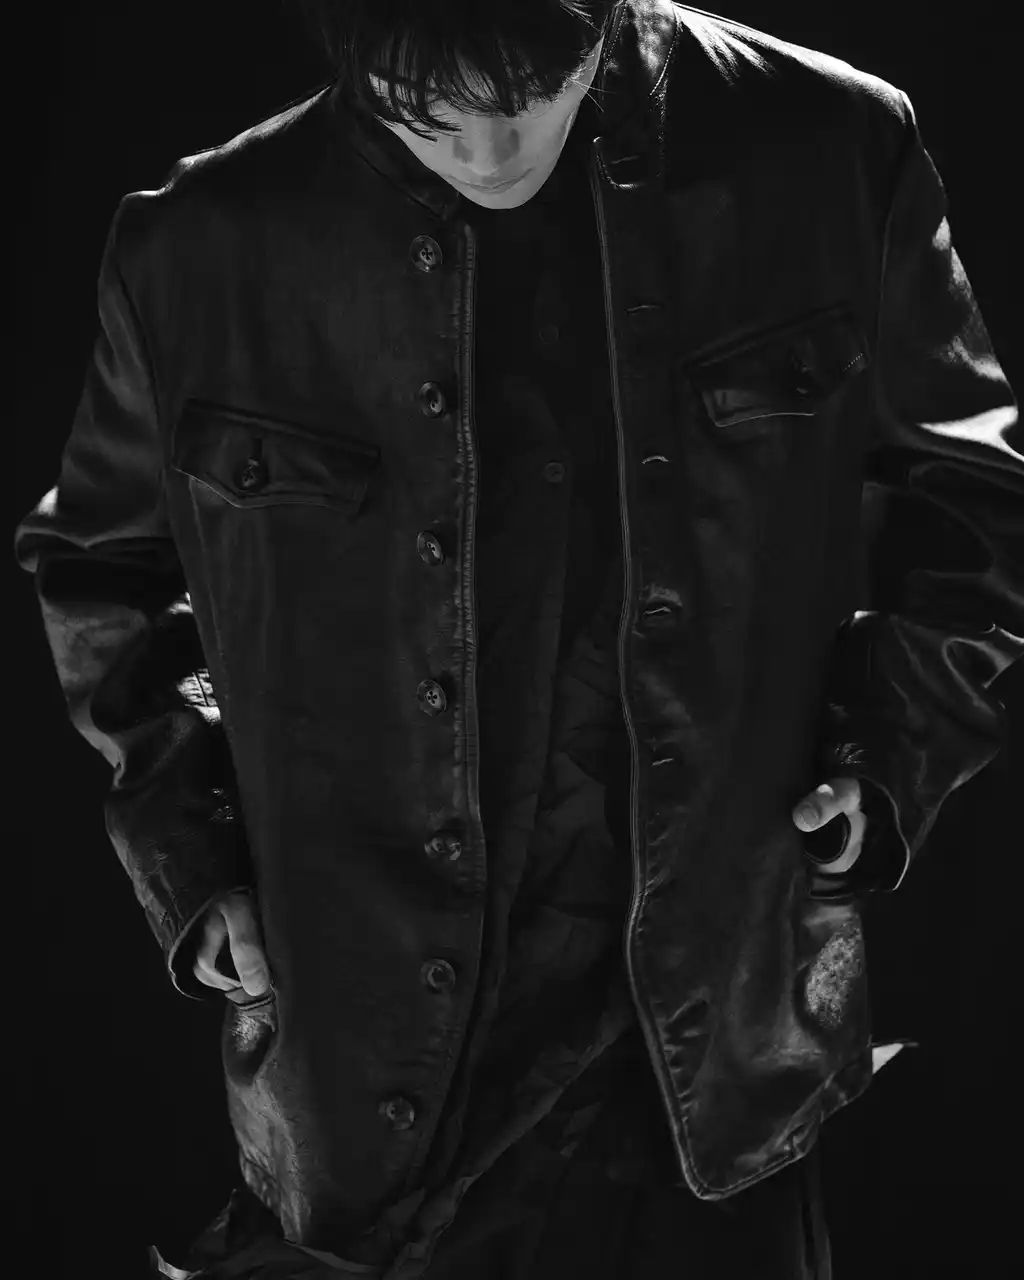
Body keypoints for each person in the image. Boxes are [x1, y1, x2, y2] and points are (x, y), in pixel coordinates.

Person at [15, 2, 1023, 1277]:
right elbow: (97, 572)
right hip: (368, 1070)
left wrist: (884, 750)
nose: (490, 156)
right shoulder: (197, 247)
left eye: (537, 91)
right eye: (427, 112)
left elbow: (979, 506)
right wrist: (191, 847)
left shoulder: (830, 149)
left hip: (714, 1046)